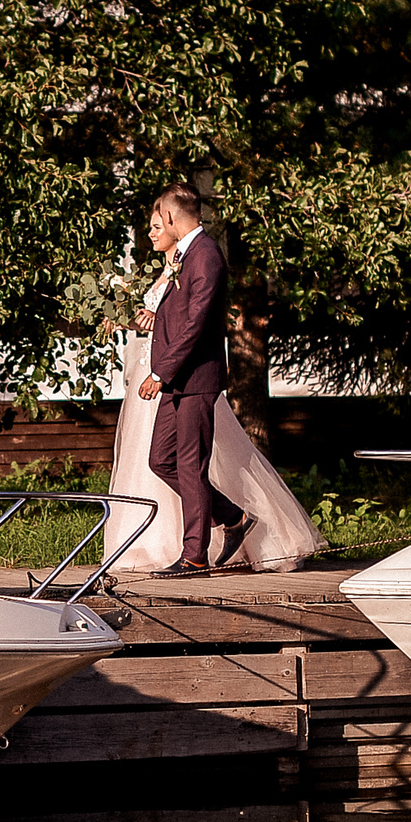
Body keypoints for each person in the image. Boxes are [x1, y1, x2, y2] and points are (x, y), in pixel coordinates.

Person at [101, 187, 323, 576]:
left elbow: (196, 325)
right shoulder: (182, 256)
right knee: (161, 459)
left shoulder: (205, 256)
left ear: (170, 218)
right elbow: (173, 317)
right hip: (177, 380)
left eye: (160, 221)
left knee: (190, 465)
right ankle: (233, 516)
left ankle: (194, 555)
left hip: (194, 379)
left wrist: (159, 372)